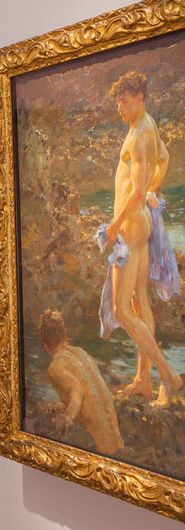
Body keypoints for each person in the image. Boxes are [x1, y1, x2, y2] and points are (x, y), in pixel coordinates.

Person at [98, 71, 182, 408]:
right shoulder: (147, 127)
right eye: (118, 102)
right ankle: (142, 381)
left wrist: (114, 226)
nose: (120, 108)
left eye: (124, 102)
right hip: (141, 225)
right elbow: (164, 157)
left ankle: (168, 375)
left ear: (140, 98)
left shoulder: (137, 136)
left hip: (131, 229)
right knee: (139, 304)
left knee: (120, 309)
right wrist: (153, 189)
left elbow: (134, 191)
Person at [38, 309, 123, 454]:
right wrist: (64, 406)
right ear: (65, 337)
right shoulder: (82, 354)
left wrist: (66, 418)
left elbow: (77, 392)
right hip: (117, 444)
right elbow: (89, 395)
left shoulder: (55, 366)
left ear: (44, 345)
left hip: (101, 449)